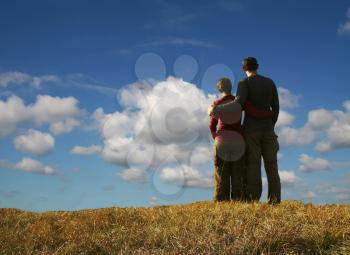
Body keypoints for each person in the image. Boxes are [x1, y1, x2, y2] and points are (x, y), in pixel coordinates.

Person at [209, 57, 281, 204]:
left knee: (253, 166)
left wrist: (215, 110)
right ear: (258, 66)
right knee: (272, 166)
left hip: (251, 130)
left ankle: (254, 200)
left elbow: (238, 104)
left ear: (244, 69)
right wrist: (270, 125)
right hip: (268, 129)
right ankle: (274, 200)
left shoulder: (244, 83)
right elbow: (276, 108)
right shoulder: (270, 82)